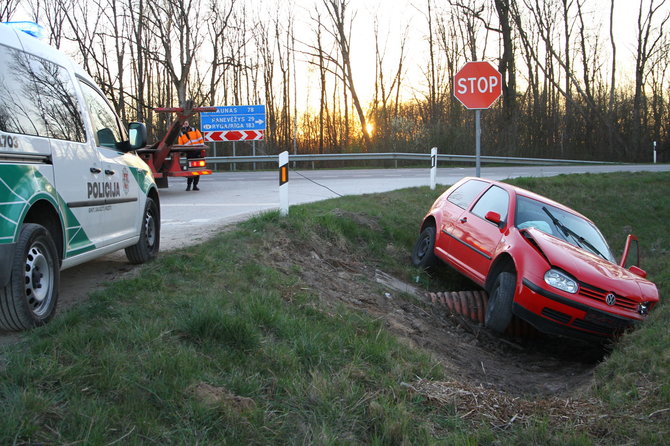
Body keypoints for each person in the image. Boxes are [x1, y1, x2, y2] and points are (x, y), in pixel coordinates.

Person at [178, 121, 204, 191]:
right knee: (190, 170)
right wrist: (182, 152)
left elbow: (200, 139)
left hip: (197, 151)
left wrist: (202, 149)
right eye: (184, 124)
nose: (185, 125)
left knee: (197, 170)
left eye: (186, 123)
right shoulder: (181, 134)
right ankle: (189, 185)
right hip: (189, 153)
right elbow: (181, 144)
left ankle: (195, 185)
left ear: (188, 124)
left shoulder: (195, 130)